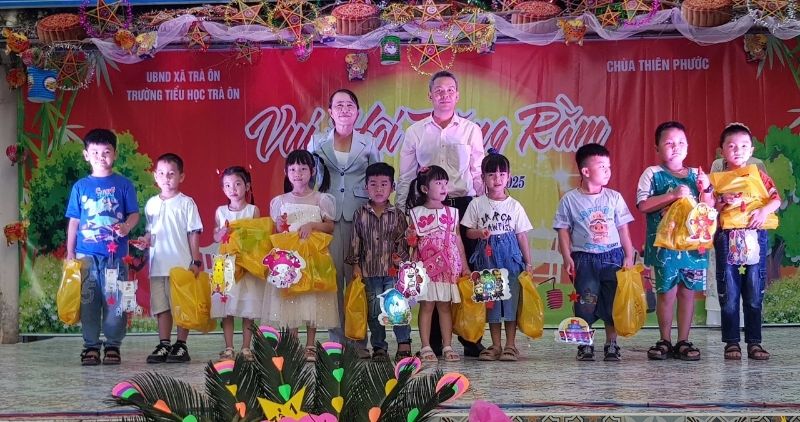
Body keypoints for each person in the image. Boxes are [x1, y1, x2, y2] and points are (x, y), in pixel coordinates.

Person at [397, 70, 486, 357]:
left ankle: (471, 338)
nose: (444, 95)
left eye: (450, 90)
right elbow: (407, 175)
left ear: (457, 95)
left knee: (463, 273)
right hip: (425, 210)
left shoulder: (471, 130)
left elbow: (477, 171)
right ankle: (434, 342)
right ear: (430, 96)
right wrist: (404, 210)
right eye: (439, 90)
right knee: (431, 276)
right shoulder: (415, 132)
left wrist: (482, 208)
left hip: (462, 205)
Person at [307, 89, 379, 357]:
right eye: (339, 105)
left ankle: (359, 341)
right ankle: (336, 341)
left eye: (350, 104)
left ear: (358, 111)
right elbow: (309, 180)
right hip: (328, 218)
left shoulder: (368, 142)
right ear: (330, 111)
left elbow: (377, 180)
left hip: (360, 216)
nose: (345, 109)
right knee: (333, 280)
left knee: (358, 280)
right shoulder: (316, 141)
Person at [636, 121, 714, 361]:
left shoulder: (698, 176)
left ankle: (683, 340)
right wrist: (672, 195)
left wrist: (706, 189)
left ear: (688, 147)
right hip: (665, 248)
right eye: (669, 143)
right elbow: (643, 205)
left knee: (687, 292)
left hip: (692, 247)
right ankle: (664, 340)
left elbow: (708, 208)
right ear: (657, 148)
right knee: (666, 292)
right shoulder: (652, 173)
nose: (675, 147)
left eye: (681, 142)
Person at [65, 128, 140, 366]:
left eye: (106, 152)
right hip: (86, 255)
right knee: (88, 301)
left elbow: (134, 214)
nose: (101, 156)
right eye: (95, 152)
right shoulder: (80, 187)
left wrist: (127, 227)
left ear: (114, 154)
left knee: (114, 301)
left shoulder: (123, 184)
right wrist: (69, 253)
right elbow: (74, 221)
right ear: (86, 154)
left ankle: (113, 345)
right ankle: (90, 346)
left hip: (115, 257)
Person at [554, 143, 635, 361]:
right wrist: (567, 256)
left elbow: (623, 229)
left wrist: (628, 255)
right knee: (585, 302)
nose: (608, 170)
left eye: (609, 166)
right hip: (584, 259)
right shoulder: (569, 200)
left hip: (612, 257)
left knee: (612, 302)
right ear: (586, 171)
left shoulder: (614, 198)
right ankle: (584, 343)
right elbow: (563, 231)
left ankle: (611, 343)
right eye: (602, 166)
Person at [712, 123, 780, 361]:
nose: (737, 150)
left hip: (754, 236)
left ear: (751, 150)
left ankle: (754, 342)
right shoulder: (717, 180)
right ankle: (731, 342)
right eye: (731, 146)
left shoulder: (759, 175)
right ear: (722, 151)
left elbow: (776, 199)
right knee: (729, 292)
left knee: (753, 291)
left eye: (743, 146)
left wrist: (763, 213)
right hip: (726, 237)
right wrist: (721, 200)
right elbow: (708, 208)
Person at [263, 149, 339, 362]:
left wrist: (313, 225)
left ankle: (310, 345)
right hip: (289, 261)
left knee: (312, 299)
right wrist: (279, 226)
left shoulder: (321, 199)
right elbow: (277, 231)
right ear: (287, 172)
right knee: (292, 298)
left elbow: (330, 226)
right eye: (293, 169)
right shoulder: (280, 201)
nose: (298, 173)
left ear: (312, 171)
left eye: (303, 169)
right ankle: (293, 343)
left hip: (313, 258)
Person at [462, 150, 534, 362]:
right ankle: (495, 345)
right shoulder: (477, 203)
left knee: (510, 301)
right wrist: (480, 233)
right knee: (491, 301)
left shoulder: (514, 205)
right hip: (487, 258)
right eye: (492, 174)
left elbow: (521, 235)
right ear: (483, 178)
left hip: (510, 258)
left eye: (502, 174)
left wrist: (528, 262)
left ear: (509, 177)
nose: (497, 179)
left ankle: (511, 345)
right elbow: (467, 231)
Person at [137, 153, 203, 364]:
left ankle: (181, 344)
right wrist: (145, 240)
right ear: (155, 176)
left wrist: (195, 261)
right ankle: (164, 344)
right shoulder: (151, 204)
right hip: (158, 266)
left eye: (171, 174)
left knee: (181, 306)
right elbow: (151, 232)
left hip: (180, 265)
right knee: (161, 307)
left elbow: (193, 233)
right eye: (162, 173)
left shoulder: (186, 203)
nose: (166, 178)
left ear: (181, 177)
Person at [346, 162, 412, 361]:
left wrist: (402, 258)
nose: (379, 189)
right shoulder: (360, 214)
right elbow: (355, 240)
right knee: (374, 311)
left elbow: (403, 241)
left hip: (392, 271)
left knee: (397, 307)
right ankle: (379, 346)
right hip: (369, 271)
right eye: (373, 184)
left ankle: (404, 343)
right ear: (366, 187)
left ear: (392, 187)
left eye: (384, 184)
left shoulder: (398, 215)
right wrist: (356, 265)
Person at [405, 165, 470, 362]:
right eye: (438, 183)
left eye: (445, 183)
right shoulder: (415, 213)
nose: (443, 187)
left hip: (448, 268)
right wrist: (410, 238)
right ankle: (425, 346)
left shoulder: (452, 212)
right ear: (425, 189)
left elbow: (458, 240)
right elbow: (411, 243)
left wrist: (465, 266)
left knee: (445, 307)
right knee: (427, 306)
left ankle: (447, 345)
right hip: (424, 268)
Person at [212, 166, 264, 362]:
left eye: (237, 184)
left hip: (247, 263)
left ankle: (246, 347)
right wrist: (221, 234)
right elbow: (215, 235)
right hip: (224, 264)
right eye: (227, 185)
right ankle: (228, 347)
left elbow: (258, 237)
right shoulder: (221, 211)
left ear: (247, 186)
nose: (232, 189)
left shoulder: (252, 210)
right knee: (227, 307)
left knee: (247, 306)